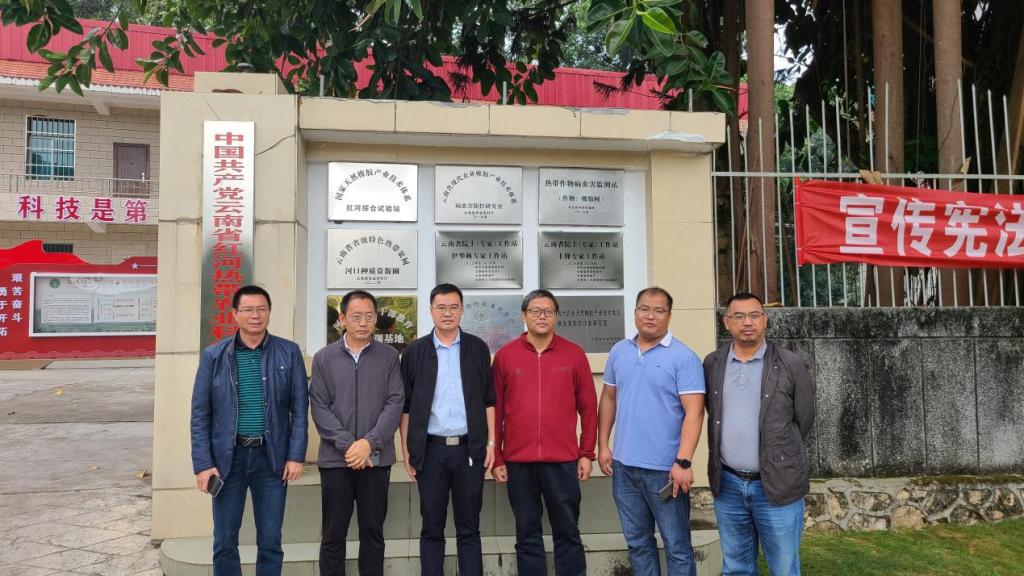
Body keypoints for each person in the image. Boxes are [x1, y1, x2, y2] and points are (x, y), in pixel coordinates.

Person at [190, 285, 309, 576]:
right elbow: (200, 414)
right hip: (227, 460)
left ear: (269, 312)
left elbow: (299, 408)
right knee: (224, 540)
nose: (255, 315)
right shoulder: (214, 356)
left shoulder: (289, 352)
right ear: (235, 314)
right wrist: (203, 464)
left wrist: (295, 455)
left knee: (270, 540)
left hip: (271, 459)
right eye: (248, 310)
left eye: (261, 309)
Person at [703, 292, 815, 576]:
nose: (747, 322)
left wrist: (777, 453)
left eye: (754, 315)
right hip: (728, 484)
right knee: (736, 567)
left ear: (765, 320)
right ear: (726, 322)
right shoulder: (713, 363)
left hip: (776, 484)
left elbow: (804, 418)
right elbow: (712, 413)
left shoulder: (791, 364)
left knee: (784, 567)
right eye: (739, 316)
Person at [598, 287, 706, 576]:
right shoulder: (620, 351)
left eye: (659, 310)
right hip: (624, 468)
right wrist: (603, 445)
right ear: (635, 312)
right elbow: (608, 398)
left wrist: (683, 461)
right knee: (638, 543)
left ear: (669, 316)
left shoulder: (684, 357)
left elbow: (695, 412)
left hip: (666, 471)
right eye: (644, 309)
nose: (650, 316)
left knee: (677, 546)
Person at [491, 289, 598, 576]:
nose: (542, 316)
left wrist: (586, 453)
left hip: (563, 461)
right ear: (523, 315)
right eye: (535, 311)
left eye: (548, 311)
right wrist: (498, 456)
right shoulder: (505, 356)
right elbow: (496, 412)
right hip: (518, 461)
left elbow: (589, 408)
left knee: (568, 531)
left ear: (556, 316)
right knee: (527, 534)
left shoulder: (574, 354)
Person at [399, 283, 496, 576]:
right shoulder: (415, 351)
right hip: (430, 452)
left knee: (470, 528)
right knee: (431, 527)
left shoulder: (477, 348)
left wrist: (491, 444)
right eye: (441, 307)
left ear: (462, 310)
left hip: (469, 451)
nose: (447, 313)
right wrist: (407, 451)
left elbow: (489, 400)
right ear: (430, 311)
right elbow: (406, 407)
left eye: (454, 307)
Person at [309, 290, 404, 576]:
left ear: (376, 319)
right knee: (333, 535)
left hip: (376, 459)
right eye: (356, 316)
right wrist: (350, 446)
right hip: (336, 460)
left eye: (369, 317)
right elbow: (319, 406)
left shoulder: (389, 356)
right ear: (342, 319)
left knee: (373, 533)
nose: (363, 323)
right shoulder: (324, 358)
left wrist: (369, 444)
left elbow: (395, 402)